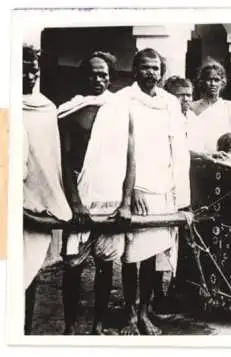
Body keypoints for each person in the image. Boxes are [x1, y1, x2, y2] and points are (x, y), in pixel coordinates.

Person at [97, 48, 189, 335]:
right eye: (146, 68)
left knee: (150, 256)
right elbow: (117, 148)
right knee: (131, 255)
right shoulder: (123, 100)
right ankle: (129, 313)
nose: (152, 73)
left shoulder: (171, 103)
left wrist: (180, 196)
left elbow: (179, 149)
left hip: (163, 188)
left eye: (156, 69)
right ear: (135, 70)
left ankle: (144, 312)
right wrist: (130, 188)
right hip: (134, 188)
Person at [57, 51, 129, 335]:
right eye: (93, 74)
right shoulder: (71, 111)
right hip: (82, 199)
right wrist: (75, 204)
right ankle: (70, 327)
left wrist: (124, 201)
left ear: (111, 77)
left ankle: (98, 327)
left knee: (105, 266)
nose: (99, 79)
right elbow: (64, 160)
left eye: (104, 74)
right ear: (83, 77)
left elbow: (128, 158)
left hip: (111, 198)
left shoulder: (119, 109)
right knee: (73, 266)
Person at [22, 45, 72, 334]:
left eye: (35, 69)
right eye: (23, 69)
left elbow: (50, 157)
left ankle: (23, 333)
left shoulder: (46, 108)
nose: (30, 75)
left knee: (30, 271)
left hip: (35, 201)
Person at [189, 59, 231, 154]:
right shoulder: (192, 107)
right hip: (201, 157)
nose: (212, 84)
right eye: (209, 80)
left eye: (216, 80)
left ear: (222, 82)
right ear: (202, 82)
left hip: (224, 157)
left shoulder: (230, 108)